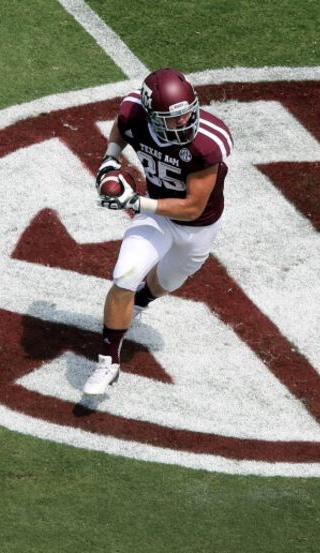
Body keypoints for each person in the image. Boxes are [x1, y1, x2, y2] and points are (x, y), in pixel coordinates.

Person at [83, 68, 233, 395]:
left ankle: (140, 301)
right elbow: (122, 128)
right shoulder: (135, 111)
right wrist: (110, 160)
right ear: (151, 115)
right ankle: (108, 361)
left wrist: (136, 202)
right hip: (158, 218)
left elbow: (192, 207)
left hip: (198, 225)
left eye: (187, 114)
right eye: (173, 119)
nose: (184, 123)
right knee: (125, 275)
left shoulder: (207, 142)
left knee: (168, 281)